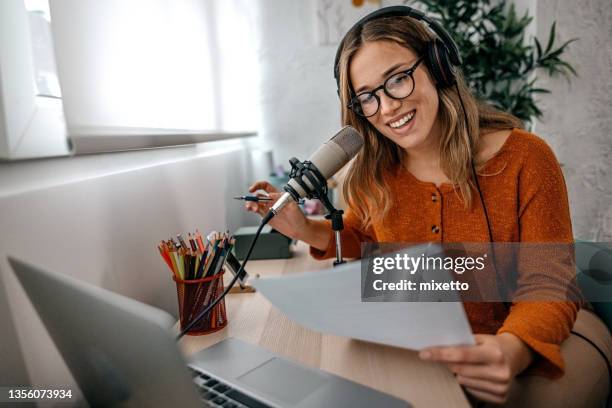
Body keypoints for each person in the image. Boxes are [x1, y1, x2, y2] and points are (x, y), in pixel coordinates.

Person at [245, 6, 611, 406]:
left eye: (398, 79)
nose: (387, 108)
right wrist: (304, 229)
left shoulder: (525, 158)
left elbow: (548, 285)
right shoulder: (376, 172)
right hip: (437, 350)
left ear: (438, 67)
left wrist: (513, 348)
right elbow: (365, 237)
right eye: (366, 97)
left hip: (547, 336)